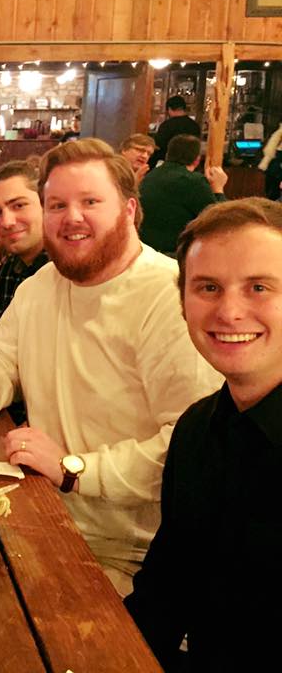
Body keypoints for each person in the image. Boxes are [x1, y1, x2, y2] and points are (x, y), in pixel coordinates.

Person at [0, 139, 222, 595]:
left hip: (129, 556)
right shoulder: (44, 284)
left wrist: (74, 469)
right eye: (57, 205)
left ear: (129, 210)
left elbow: (188, 450)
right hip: (41, 513)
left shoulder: (170, 298)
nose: (71, 217)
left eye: (90, 202)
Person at [125, 198, 282, 670]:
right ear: (182, 303)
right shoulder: (196, 428)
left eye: (259, 287)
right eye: (208, 287)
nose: (229, 312)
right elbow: (165, 590)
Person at [0, 160, 48, 326]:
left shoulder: (65, 273)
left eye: (19, 205)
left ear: (45, 204)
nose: (7, 222)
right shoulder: (7, 269)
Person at [139, 134, 227, 255]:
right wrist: (218, 188)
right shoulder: (193, 181)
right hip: (173, 255)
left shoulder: (151, 175)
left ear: (167, 155)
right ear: (197, 160)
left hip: (145, 250)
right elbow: (220, 222)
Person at [148, 95, 201, 168]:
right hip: (190, 163)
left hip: (169, 164)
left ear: (169, 109)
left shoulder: (167, 125)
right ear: (184, 108)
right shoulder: (194, 125)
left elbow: (159, 147)